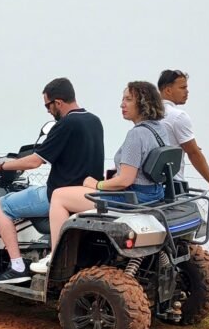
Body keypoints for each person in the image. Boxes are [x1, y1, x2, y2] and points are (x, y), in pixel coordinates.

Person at [37, 80, 176, 274]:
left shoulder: (136, 135)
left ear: (143, 103)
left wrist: (98, 184)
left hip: (130, 197)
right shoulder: (159, 128)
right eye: (122, 99)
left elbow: (125, 180)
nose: (122, 104)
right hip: (153, 194)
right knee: (81, 191)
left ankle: (54, 257)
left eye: (128, 99)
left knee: (59, 196)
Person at [0, 77, 104, 284]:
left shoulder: (66, 124)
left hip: (58, 195)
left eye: (47, 105)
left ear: (58, 102)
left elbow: (34, 162)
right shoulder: (94, 120)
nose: (47, 110)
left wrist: (0, 166)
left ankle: (17, 267)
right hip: (88, 194)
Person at [157, 69, 209, 197]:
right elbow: (193, 153)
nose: (187, 91)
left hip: (149, 184)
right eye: (182, 87)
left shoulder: (148, 114)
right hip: (172, 184)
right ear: (168, 90)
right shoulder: (177, 116)